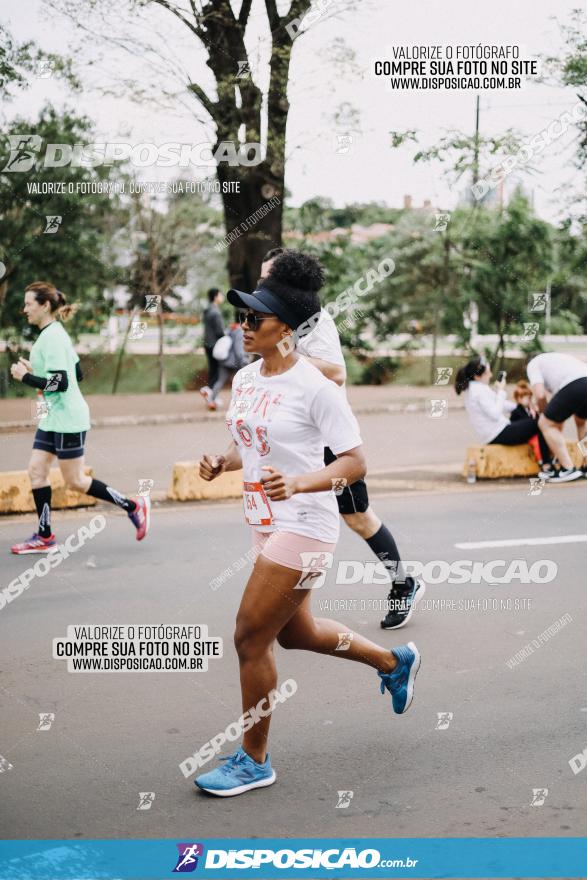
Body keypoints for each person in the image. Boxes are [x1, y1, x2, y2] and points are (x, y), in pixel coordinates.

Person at [194, 276, 420, 797]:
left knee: (250, 636)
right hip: (263, 520)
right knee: (295, 633)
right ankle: (393, 661)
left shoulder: (317, 387)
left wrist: (299, 481)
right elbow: (247, 446)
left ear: (288, 329)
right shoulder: (249, 379)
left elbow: (355, 464)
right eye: (243, 317)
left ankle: (254, 759)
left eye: (256, 318)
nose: (244, 326)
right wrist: (219, 463)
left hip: (307, 525)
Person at [260, 248, 424, 631]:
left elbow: (335, 371)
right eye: (261, 279)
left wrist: (285, 357)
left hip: (329, 442)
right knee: (296, 521)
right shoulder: (273, 319)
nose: (262, 285)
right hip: (295, 441)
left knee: (356, 517)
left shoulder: (314, 321)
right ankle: (293, 608)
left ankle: (404, 583)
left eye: (269, 278)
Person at [9, 282, 150, 555]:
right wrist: (36, 369)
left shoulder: (52, 337)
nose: (24, 309)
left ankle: (133, 506)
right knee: (36, 471)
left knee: (75, 481)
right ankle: (45, 536)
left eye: (28, 304)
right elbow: (77, 373)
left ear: (45, 305)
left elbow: (61, 383)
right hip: (53, 418)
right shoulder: (55, 333)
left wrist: (25, 376)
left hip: (69, 419)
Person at [455, 356, 554, 470]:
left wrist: (524, 406)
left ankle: (543, 457)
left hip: (495, 432)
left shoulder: (476, 388)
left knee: (523, 413)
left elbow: (502, 405)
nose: (491, 375)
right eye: (488, 372)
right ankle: (547, 465)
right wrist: (501, 390)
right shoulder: (478, 391)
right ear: (477, 376)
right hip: (497, 434)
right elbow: (495, 414)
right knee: (540, 423)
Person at [527, 351, 587, 482]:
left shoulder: (533, 364)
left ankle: (568, 468)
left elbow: (540, 395)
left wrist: (544, 414)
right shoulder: (555, 360)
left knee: (544, 424)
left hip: (575, 383)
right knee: (581, 423)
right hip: (584, 379)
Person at [510, 380, 553, 472]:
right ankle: (542, 461)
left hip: (535, 433)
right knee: (536, 442)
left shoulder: (532, 410)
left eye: (529, 397)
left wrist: (536, 412)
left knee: (547, 438)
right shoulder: (516, 412)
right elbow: (515, 425)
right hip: (525, 435)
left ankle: (551, 458)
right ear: (518, 399)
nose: (528, 399)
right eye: (524, 397)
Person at [206, 322, 248, 411]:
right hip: (234, 362)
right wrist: (243, 362)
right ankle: (239, 404)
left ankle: (211, 400)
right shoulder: (240, 332)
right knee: (239, 383)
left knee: (220, 381)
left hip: (224, 361)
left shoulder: (230, 331)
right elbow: (238, 350)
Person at [201, 288, 225, 401]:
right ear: (216, 297)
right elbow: (220, 332)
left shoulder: (207, 310)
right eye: (221, 295)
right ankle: (212, 396)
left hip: (207, 343)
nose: (222, 297)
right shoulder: (216, 312)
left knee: (212, 369)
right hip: (215, 345)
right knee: (217, 371)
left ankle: (209, 392)